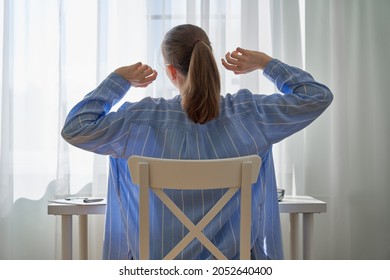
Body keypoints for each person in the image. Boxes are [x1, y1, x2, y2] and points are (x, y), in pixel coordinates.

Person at [62, 24, 333, 260]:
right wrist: (265, 63)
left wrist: (118, 80)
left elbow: (75, 129)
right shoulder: (250, 115)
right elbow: (316, 96)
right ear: (209, 60)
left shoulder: (138, 120)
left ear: (170, 70)